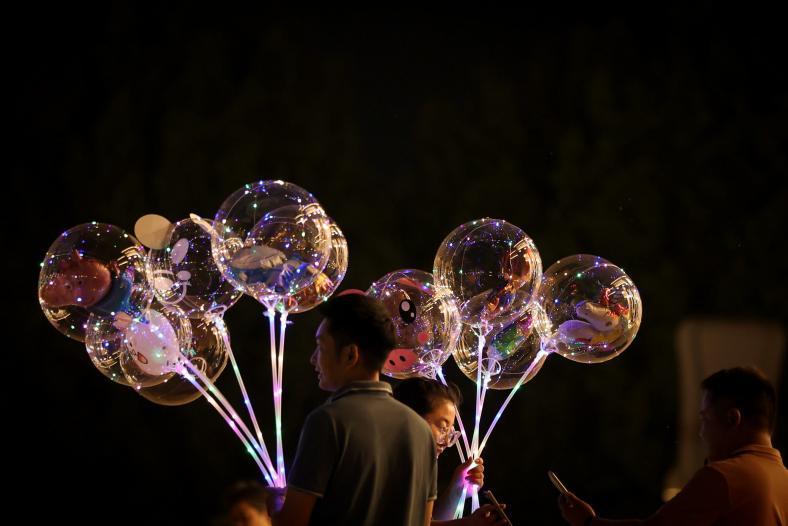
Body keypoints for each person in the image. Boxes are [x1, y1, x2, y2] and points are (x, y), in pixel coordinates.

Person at [268, 294, 438, 526]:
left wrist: (276, 505)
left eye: (320, 347)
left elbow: (292, 522)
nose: (313, 359)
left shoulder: (328, 421)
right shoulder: (421, 430)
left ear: (350, 354)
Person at [558, 366, 788, 526]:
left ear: (732, 419)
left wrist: (588, 522)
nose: (701, 433)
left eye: (705, 420)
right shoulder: (782, 480)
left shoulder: (725, 478)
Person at [394, 378, 509, 526]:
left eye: (450, 432)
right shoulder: (390, 463)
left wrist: (457, 489)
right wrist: (467, 524)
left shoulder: (424, 466)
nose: (447, 442)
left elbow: (427, 521)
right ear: (412, 417)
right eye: (442, 428)